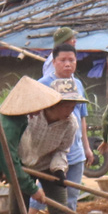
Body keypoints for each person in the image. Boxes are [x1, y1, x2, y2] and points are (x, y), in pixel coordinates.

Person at [0, 76, 87, 214]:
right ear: (55, 104)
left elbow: (62, 150)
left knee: (59, 211)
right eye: (67, 106)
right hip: (22, 164)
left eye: (73, 106)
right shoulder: (31, 114)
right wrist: (10, 170)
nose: (71, 110)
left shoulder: (71, 124)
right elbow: (11, 146)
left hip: (48, 166)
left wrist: (59, 170)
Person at [39, 29, 89, 189]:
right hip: (50, 152)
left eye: (71, 60)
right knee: (44, 195)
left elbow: (82, 117)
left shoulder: (78, 85)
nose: (67, 64)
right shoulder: (43, 85)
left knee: (72, 196)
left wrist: (86, 148)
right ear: (53, 62)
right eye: (62, 60)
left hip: (75, 151)